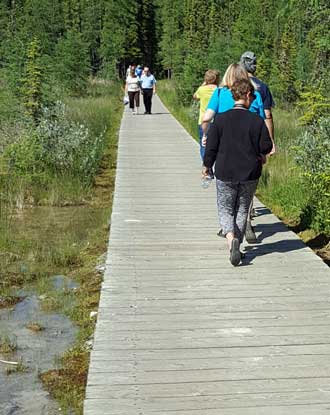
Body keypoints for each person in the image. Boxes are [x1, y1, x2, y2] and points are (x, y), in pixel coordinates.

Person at [203, 79, 272, 266]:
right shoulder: (256, 121)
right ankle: (238, 244)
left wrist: (207, 166)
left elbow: (211, 147)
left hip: (225, 171)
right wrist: (260, 152)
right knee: (242, 209)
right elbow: (266, 146)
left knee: (225, 208)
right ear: (248, 95)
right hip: (250, 172)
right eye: (253, 96)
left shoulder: (221, 119)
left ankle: (230, 239)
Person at [240, 51, 275, 153]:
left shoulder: (234, 85)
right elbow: (267, 114)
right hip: (256, 132)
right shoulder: (262, 87)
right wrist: (271, 141)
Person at [193, 69, 220, 161]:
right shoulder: (219, 90)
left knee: (203, 144)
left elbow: (195, 97)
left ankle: (207, 167)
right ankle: (214, 164)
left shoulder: (201, 90)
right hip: (217, 121)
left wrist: (203, 84)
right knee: (217, 144)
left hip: (203, 120)